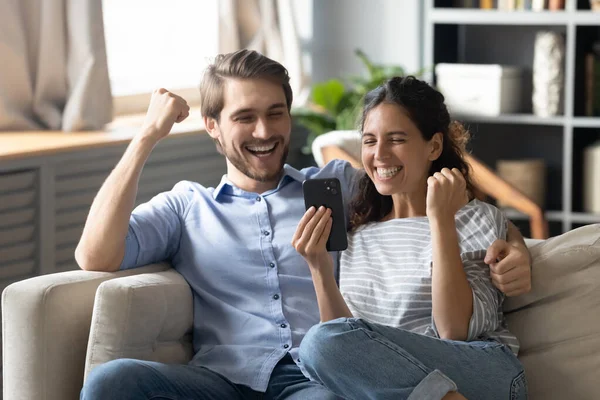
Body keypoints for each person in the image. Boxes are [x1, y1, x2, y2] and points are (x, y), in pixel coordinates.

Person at [77, 50, 531, 399]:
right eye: (244, 117)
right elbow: (95, 255)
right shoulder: (187, 207)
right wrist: (145, 137)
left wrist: (517, 244)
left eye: (275, 113)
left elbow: (419, 194)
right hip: (218, 379)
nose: (263, 132)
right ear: (213, 126)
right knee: (113, 381)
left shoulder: (334, 187)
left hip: (315, 380)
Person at [292, 76, 528, 400]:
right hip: (407, 388)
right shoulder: (358, 235)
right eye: (370, 141)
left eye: (396, 139)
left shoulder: (476, 219)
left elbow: (454, 330)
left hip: (484, 373)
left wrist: (441, 221)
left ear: (433, 145)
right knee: (322, 349)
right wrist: (319, 265)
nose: (380, 154)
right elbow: (346, 350)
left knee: (317, 343)